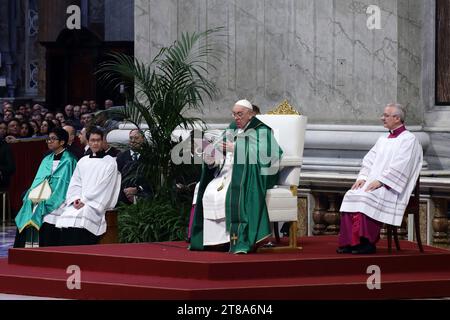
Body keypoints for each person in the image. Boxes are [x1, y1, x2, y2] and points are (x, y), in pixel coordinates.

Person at [189, 99, 283, 254]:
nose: (236, 118)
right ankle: (214, 241)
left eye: (240, 114)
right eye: (234, 114)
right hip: (226, 173)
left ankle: (236, 239)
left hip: (248, 175)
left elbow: (269, 155)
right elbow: (219, 150)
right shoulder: (231, 129)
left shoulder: (262, 130)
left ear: (251, 114)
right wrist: (211, 158)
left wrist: (237, 148)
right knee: (209, 191)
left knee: (228, 193)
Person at [337, 103, 423, 254]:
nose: (382, 118)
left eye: (386, 115)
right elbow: (369, 160)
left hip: (392, 187)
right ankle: (351, 242)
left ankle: (367, 242)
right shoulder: (383, 139)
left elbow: (402, 165)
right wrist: (363, 177)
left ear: (397, 118)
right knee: (351, 194)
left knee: (366, 197)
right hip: (374, 184)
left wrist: (382, 181)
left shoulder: (409, 140)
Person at [55, 127, 121, 246]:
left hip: (94, 204)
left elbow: (104, 188)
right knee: (66, 216)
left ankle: (82, 254)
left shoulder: (110, 162)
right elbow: (75, 183)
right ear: (88, 141)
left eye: (98, 140)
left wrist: (84, 201)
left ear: (103, 142)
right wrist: (75, 199)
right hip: (79, 202)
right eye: (92, 140)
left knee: (83, 217)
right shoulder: (83, 161)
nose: (95, 143)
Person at [14, 128, 78, 247]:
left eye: (53, 139)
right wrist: (32, 192)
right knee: (28, 204)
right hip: (42, 192)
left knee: (47, 216)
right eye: (48, 139)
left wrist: (50, 198)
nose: (49, 141)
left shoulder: (70, 160)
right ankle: (27, 248)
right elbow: (38, 179)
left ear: (62, 142)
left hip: (59, 195)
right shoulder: (46, 159)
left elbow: (65, 183)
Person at [116, 129, 151, 204]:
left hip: (145, 196)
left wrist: (137, 189)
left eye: (136, 138)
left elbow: (153, 180)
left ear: (143, 139)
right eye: (131, 138)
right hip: (123, 197)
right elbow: (117, 178)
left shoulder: (150, 157)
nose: (133, 140)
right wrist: (126, 190)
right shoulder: (121, 157)